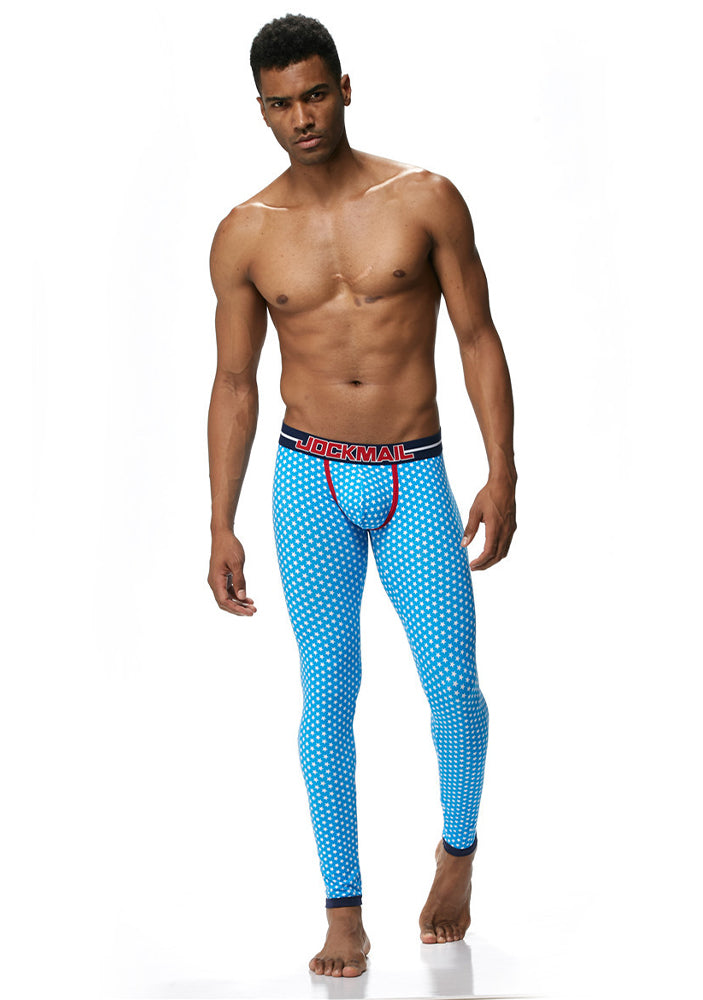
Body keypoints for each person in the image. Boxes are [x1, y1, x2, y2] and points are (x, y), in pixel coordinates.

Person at [206, 13, 517, 979]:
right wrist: (219, 522)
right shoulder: (246, 233)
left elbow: (477, 336)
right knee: (326, 695)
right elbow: (235, 384)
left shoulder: (423, 199)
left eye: (314, 94)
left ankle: (457, 851)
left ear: (344, 88)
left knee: (452, 685)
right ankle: (343, 910)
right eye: (281, 103)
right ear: (262, 110)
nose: (302, 117)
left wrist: (503, 468)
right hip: (308, 478)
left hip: (412, 472)